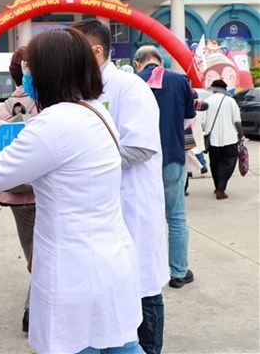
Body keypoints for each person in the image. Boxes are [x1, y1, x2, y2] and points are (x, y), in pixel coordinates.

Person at [0, 28, 143, 354]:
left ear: (49, 71)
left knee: (76, 345)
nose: (27, 75)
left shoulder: (53, 123)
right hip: (112, 260)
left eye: (31, 68)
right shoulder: (97, 112)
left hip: (74, 270)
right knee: (118, 345)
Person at [73, 20, 169, 354]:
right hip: (103, 210)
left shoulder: (128, 87)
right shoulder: (85, 91)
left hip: (133, 205)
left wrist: (88, 160)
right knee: (115, 289)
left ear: (95, 51)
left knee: (143, 288)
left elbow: (141, 147)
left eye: (77, 51)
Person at [0, 46, 38, 333]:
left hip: (17, 193)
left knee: (32, 250)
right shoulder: (50, 101)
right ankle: (35, 307)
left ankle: (34, 307)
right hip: (43, 189)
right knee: (45, 252)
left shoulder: (5, 105)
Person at [134, 45, 196, 289]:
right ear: (160, 61)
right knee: (177, 217)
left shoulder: (133, 82)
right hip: (172, 156)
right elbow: (188, 119)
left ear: (139, 63)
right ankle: (179, 272)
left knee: (144, 218)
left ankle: (146, 272)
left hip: (142, 162)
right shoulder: (180, 81)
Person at [203, 79, 244, 200]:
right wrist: (241, 134)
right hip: (229, 138)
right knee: (229, 162)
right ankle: (221, 188)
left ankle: (217, 187)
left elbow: (203, 121)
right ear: (224, 89)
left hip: (213, 140)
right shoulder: (231, 101)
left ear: (213, 89)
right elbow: (237, 120)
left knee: (214, 164)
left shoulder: (207, 102)